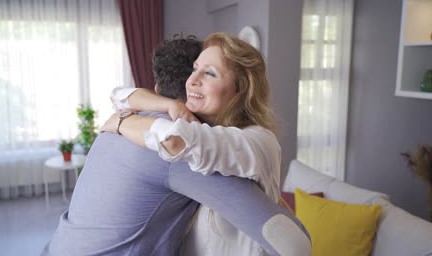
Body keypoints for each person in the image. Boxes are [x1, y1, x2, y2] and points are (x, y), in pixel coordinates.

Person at [43, 35, 310, 256]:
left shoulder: (119, 129)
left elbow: (122, 99)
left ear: (156, 89)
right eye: (195, 69)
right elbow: (291, 241)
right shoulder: (180, 156)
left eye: (210, 73)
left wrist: (123, 120)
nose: (195, 79)